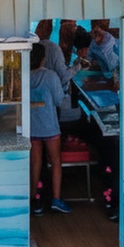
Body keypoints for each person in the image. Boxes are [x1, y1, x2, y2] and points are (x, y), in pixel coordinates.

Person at [28, 43, 71, 215]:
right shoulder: (51, 76)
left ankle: (33, 198)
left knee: (35, 163)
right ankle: (56, 199)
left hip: (32, 126)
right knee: (55, 162)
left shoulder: (24, 76)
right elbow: (59, 100)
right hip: (50, 126)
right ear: (43, 59)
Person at [34, 19, 83, 124]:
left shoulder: (32, 47)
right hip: (51, 101)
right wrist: (77, 67)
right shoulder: (53, 49)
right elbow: (63, 76)